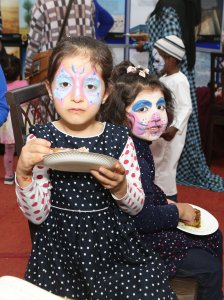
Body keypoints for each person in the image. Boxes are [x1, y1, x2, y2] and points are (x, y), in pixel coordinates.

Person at [15, 36, 177, 299]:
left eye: (90, 86)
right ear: (48, 88)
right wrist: (23, 174)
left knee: (149, 288)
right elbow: (37, 215)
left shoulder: (119, 139)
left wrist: (122, 187)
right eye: (65, 84)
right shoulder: (41, 139)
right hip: (58, 251)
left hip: (110, 245)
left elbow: (136, 206)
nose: (77, 97)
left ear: (105, 93)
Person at [102, 60, 223, 300]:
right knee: (209, 267)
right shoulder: (128, 151)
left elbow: (144, 190)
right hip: (130, 240)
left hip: (138, 227)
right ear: (120, 113)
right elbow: (141, 218)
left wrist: (163, 200)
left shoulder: (139, 143)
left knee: (213, 235)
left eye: (160, 106)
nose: (156, 116)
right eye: (143, 108)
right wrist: (178, 211)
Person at [136, 0, 224, 191]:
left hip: (171, 78)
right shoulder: (178, 7)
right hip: (169, 73)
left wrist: (148, 44)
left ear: (168, 58)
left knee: (165, 158)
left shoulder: (168, 9)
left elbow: (170, 42)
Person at [150, 35, 192, 202]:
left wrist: (174, 128)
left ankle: (170, 205)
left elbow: (185, 107)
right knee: (158, 168)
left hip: (171, 136)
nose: (155, 59)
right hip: (162, 134)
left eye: (158, 55)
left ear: (171, 58)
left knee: (165, 171)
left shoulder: (180, 81)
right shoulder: (165, 78)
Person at [24, 0, 95, 78]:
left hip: (54, 68)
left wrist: (28, 73)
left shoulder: (42, 3)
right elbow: (92, 39)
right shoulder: (88, 2)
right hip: (83, 65)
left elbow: (33, 45)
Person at [0, 54, 28, 184]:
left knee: (8, 151)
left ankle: (8, 175)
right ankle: (24, 174)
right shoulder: (24, 84)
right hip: (21, 123)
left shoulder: (4, 88)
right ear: (18, 74)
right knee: (24, 150)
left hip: (7, 126)